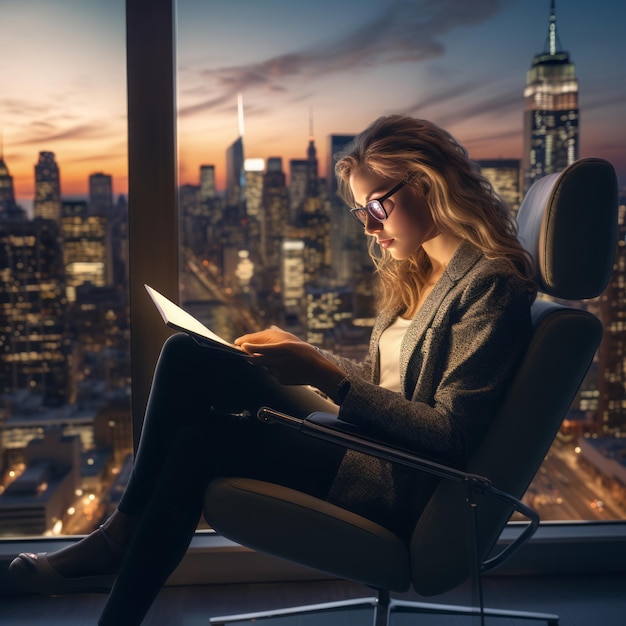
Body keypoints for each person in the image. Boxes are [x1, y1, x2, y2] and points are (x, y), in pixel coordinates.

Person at [9, 115, 536, 625]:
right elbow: (388, 384)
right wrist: (306, 353)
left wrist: (325, 375)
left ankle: (117, 556)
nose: (371, 226)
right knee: (190, 354)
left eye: (377, 205)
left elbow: (450, 433)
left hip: (394, 476)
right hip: (364, 438)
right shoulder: (421, 268)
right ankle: (119, 536)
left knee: (199, 443)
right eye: (360, 212)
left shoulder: (490, 285)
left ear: (425, 183)